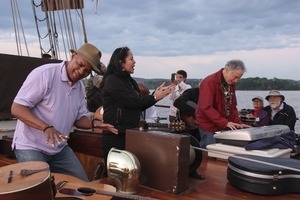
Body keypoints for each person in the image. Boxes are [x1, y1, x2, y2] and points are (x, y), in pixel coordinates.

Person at [11, 43, 118, 182]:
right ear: (73, 56)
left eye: (87, 70)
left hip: (59, 150)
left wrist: (95, 123)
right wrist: (46, 127)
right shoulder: (45, 74)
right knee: (39, 190)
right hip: (31, 147)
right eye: (80, 65)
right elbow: (17, 108)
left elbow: (79, 119)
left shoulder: (79, 88)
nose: (81, 72)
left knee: (84, 187)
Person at [100, 46, 174, 160]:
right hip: (116, 135)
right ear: (121, 62)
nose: (134, 62)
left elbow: (139, 105)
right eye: (131, 59)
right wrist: (154, 97)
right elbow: (131, 102)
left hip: (131, 133)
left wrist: (157, 96)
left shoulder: (130, 81)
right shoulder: (112, 80)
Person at [196, 59, 251, 148]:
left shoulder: (230, 83)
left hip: (223, 124)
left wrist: (238, 123)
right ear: (227, 70)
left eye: (239, 78)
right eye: (235, 77)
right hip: (209, 126)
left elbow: (232, 106)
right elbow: (206, 107)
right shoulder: (209, 82)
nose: (236, 81)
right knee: (210, 152)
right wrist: (225, 123)